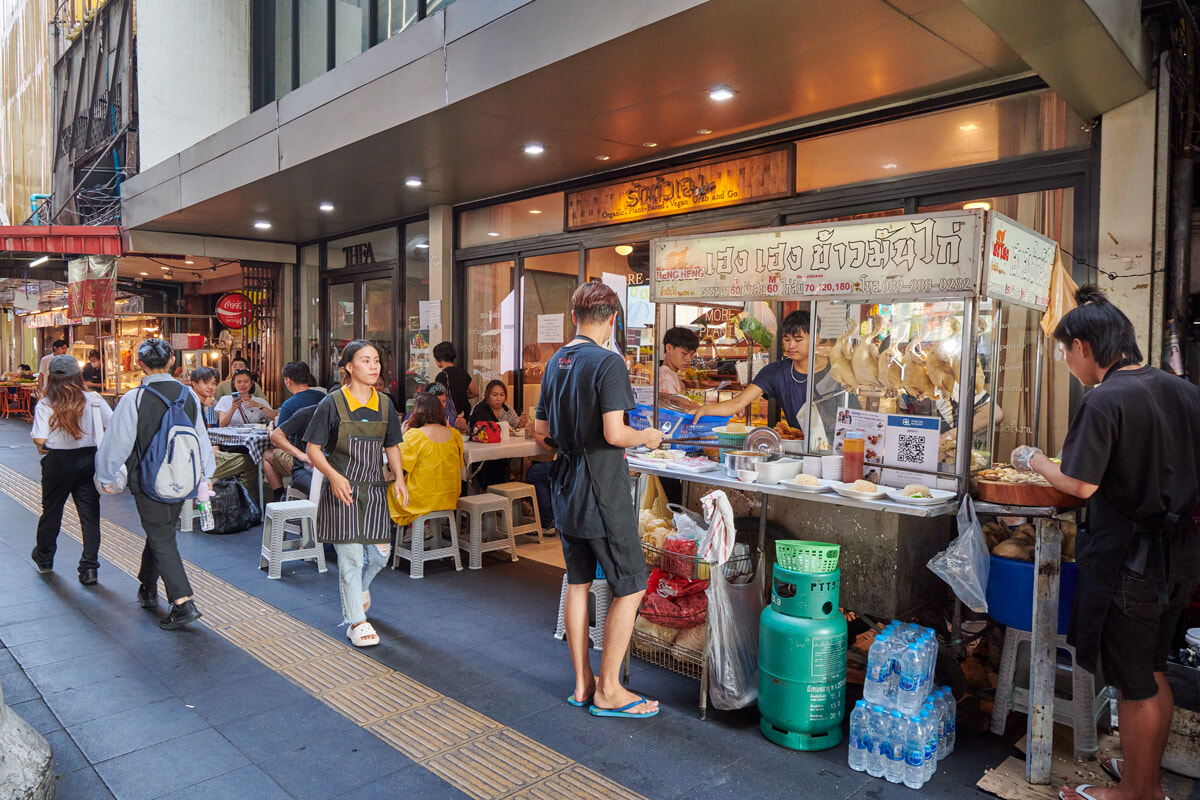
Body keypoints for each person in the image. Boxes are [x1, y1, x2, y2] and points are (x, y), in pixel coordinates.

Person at [1012, 286, 1200, 800]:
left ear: (1084, 348)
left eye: (1064, 351)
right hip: (1180, 556)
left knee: (1134, 683)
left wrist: (1033, 459)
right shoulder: (1183, 390)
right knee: (1153, 670)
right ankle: (1147, 781)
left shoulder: (1105, 398)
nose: (1066, 362)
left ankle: (1137, 794)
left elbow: (1079, 483)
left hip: (1131, 564)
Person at [534, 281, 664, 719]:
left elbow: (540, 433)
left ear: (574, 317)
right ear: (612, 320)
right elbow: (615, 433)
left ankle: (582, 683)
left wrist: (570, 440)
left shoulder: (556, 361)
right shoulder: (607, 362)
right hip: (602, 491)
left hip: (565, 485)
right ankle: (610, 691)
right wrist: (646, 436)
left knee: (577, 582)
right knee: (631, 584)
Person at [95, 339, 215, 630]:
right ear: (172, 361)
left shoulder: (134, 398)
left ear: (140, 364)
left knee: (161, 536)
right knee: (160, 532)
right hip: (184, 478)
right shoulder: (187, 394)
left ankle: (183, 602)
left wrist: (106, 476)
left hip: (147, 481)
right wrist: (205, 476)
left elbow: (116, 443)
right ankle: (147, 587)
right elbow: (200, 439)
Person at [305, 340, 409, 648]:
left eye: (376, 360)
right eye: (366, 360)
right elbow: (313, 449)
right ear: (349, 367)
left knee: (380, 554)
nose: (374, 366)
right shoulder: (332, 403)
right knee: (349, 557)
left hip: (375, 488)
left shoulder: (386, 403)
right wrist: (334, 477)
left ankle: (361, 589)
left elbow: (392, 445)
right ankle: (356, 621)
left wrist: (400, 479)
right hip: (343, 488)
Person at [30, 355, 111, 585]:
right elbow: (112, 423)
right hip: (88, 459)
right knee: (90, 515)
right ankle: (89, 569)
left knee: (52, 510)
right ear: (78, 375)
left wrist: (43, 446)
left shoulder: (46, 402)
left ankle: (45, 558)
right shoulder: (93, 398)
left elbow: (39, 438)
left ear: (52, 378)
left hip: (58, 462)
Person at [691, 310, 835, 433]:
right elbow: (738, 402)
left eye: (798, 340)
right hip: (798, 448)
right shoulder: (775, 372)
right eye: (786, 339)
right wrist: (703, 410)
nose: (791, 345)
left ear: (816, 339)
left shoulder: (837, 372)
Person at [389, 392, 463, 530]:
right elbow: (459, 465)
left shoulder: (415, 435)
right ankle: (425, 527)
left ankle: (407, 531)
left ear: (417, 411)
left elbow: (396, 469)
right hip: (449, 497)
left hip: (421, 500)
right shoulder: (455, 435)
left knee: (388, 490)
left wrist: (401, 435)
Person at [190, 367, 259, 495]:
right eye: (206, 382)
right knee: (249, 462)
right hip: (196, 461)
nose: (211, 387)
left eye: (214, 383)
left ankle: (237, 499)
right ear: (194, 383)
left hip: (204, 453)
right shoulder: (193, 404)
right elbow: (214, 426)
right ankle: (242, 501)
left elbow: (208, 426)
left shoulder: (208, 401)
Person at [468, 380, 528, 491]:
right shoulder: (479, 409)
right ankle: (495, 492)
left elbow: (515, 425)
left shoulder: (506, 409)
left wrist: (521, 423)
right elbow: (476, 430)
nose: (498, 398)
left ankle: (519, 496)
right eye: (494, 395)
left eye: (502, 395)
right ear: (487, 395)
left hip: (504, 451)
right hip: (484, 453)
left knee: (525, 461)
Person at [266, 403, 318, 500]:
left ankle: (279, 495)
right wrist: (300, 454)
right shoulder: (307, 413)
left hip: (330, 469)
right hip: (305, 468)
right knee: (323, 488)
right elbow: (276, 436)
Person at [433, 341, 478, 422]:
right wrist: (462, 395)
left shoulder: (441, 376)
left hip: (450, 418)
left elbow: (439, 398)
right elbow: (475, 392)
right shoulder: (463, 373)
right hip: (464, 416)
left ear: (438, 359)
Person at [658, 327, 700, 411]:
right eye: (684, 354)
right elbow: (669, 413)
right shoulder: (666, 378)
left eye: (691, 355)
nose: (688, 359)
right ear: (669, 348)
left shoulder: (669, 373)